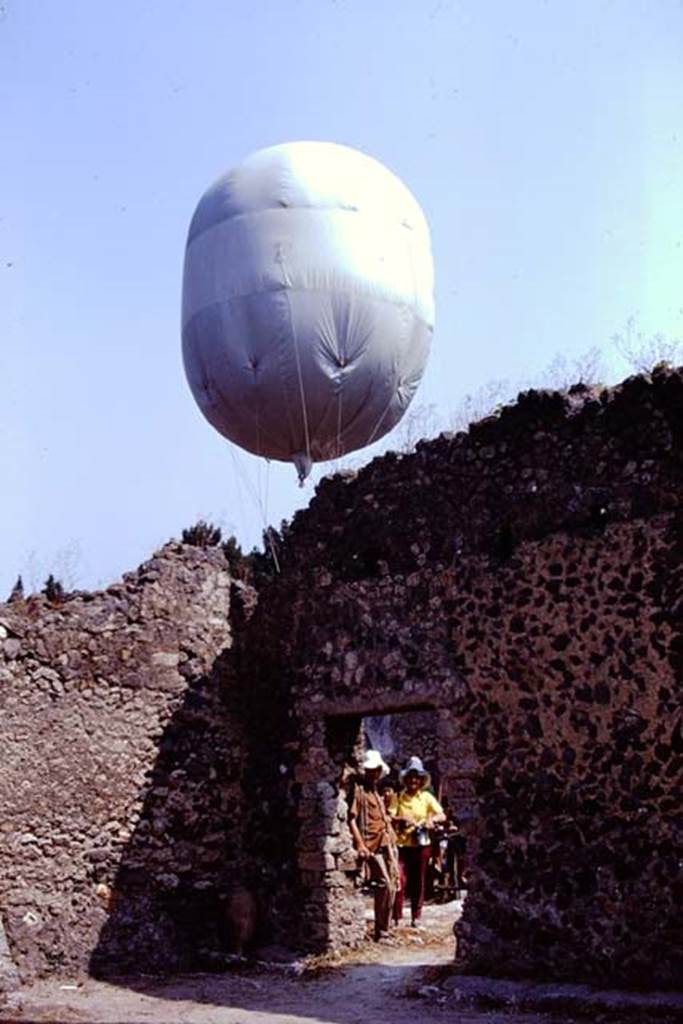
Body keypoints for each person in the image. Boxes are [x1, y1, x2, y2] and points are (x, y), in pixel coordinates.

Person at [348, 750, 399, 941]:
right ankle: (382, 931)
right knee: (385, 883)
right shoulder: (359, 792)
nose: (373, 773)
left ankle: (385, 929)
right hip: (371, 846)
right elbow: (352, 819)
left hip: (384, 844)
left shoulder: (376, 792)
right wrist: (360, 844)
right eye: (370, 770)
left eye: (376, 770)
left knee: (392, 884)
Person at [391, 755, 445, 929]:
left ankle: (416, 916)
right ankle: (396, 917)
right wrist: (401, 819)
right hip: (402, 844)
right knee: (399, 879)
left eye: (417, 777)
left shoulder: (427, 798)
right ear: (405, 779)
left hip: (421, 844)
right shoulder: (398, 797)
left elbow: (441, 814)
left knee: (419, 880)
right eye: (410, 777)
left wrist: (431, 821)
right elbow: (390, 816)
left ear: (421, 780)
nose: (413, 780)